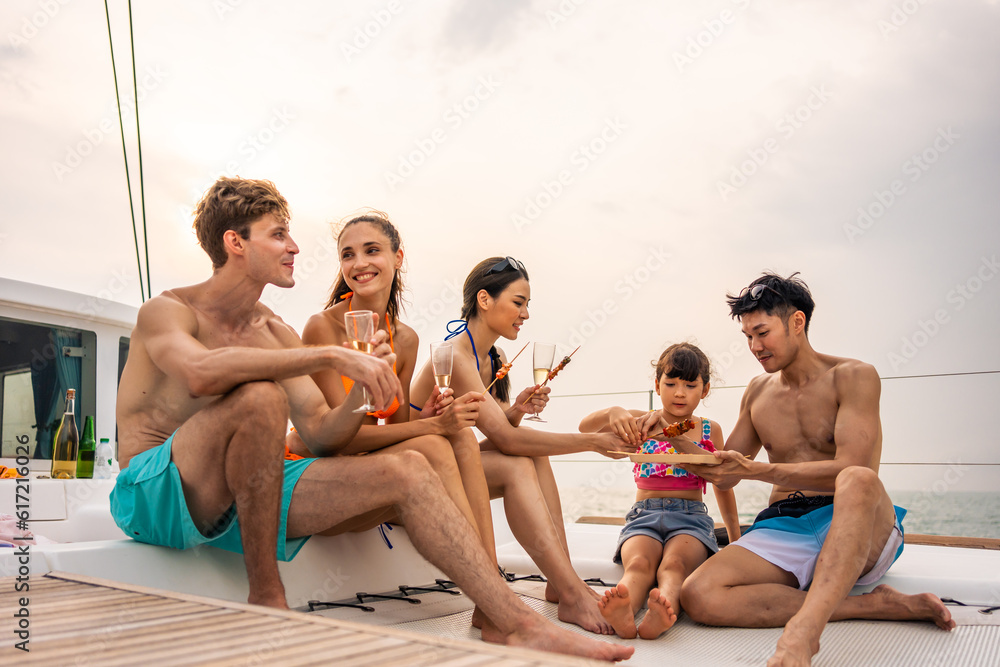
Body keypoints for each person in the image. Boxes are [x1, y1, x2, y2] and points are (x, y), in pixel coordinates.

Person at [111, 177, 633, 662]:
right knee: (260, 399)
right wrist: (334, 358)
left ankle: (512, 618)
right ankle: (267, 596)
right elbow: (201, 373)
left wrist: (359, 396)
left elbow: (318, 430)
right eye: (279, 235)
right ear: (235, 243)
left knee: (408, 469)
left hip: (245, 489)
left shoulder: (275, 331)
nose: (295, 248)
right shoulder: (169, 310)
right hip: (155, 490)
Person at [677, 273, 954, 667]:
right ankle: (873, 606)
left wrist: (760, 471)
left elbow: (851, 467)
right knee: (698, 595)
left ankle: (805, 632)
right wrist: (671, 439)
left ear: (797, 322)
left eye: (762, 332)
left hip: (851, 518)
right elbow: (726, 471)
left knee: (858, 478)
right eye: (747, 337)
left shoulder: (854, 376)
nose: (755, 347)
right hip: (784, 525)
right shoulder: (757, 391)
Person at [411, 256, 636, 635]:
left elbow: (500, 429)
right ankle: (571, 592)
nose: (526, 314)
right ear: (485, 300)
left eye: (527, 304)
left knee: (535, 452)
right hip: (419, 473)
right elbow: (506, 442)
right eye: (519, 302)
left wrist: (515, 410)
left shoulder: (490, 358)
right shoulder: (456, 356)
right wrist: (593, 441)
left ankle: (563, 582)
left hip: (453, 463)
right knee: (518, 461)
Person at [283, 211, 493, 557]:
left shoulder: (405, 339)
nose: (359, 263)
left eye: (371, 250)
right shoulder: (323, 328)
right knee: (438, 444)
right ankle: (489, 585)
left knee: (461, 435)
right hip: (320, 474)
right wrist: (431, 427)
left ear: (397, 257)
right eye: (347, 255)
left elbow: (398, 430)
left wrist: (425, 418)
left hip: (371, 467)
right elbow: (337, 442)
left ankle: (492, 574)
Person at [579, 342, 741, 639]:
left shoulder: (709, 430)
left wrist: (735, 539)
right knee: (639, 563)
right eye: (671, 383)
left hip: (690, 519)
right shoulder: (643, 421)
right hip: (644, 515)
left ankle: (662, 610)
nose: (679, 392)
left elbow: (722, 485)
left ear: (704, 390)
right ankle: (624, 609)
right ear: (657, 384)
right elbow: (585, 428)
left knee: (674, 565)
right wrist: (615, 410)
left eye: (690, 385)